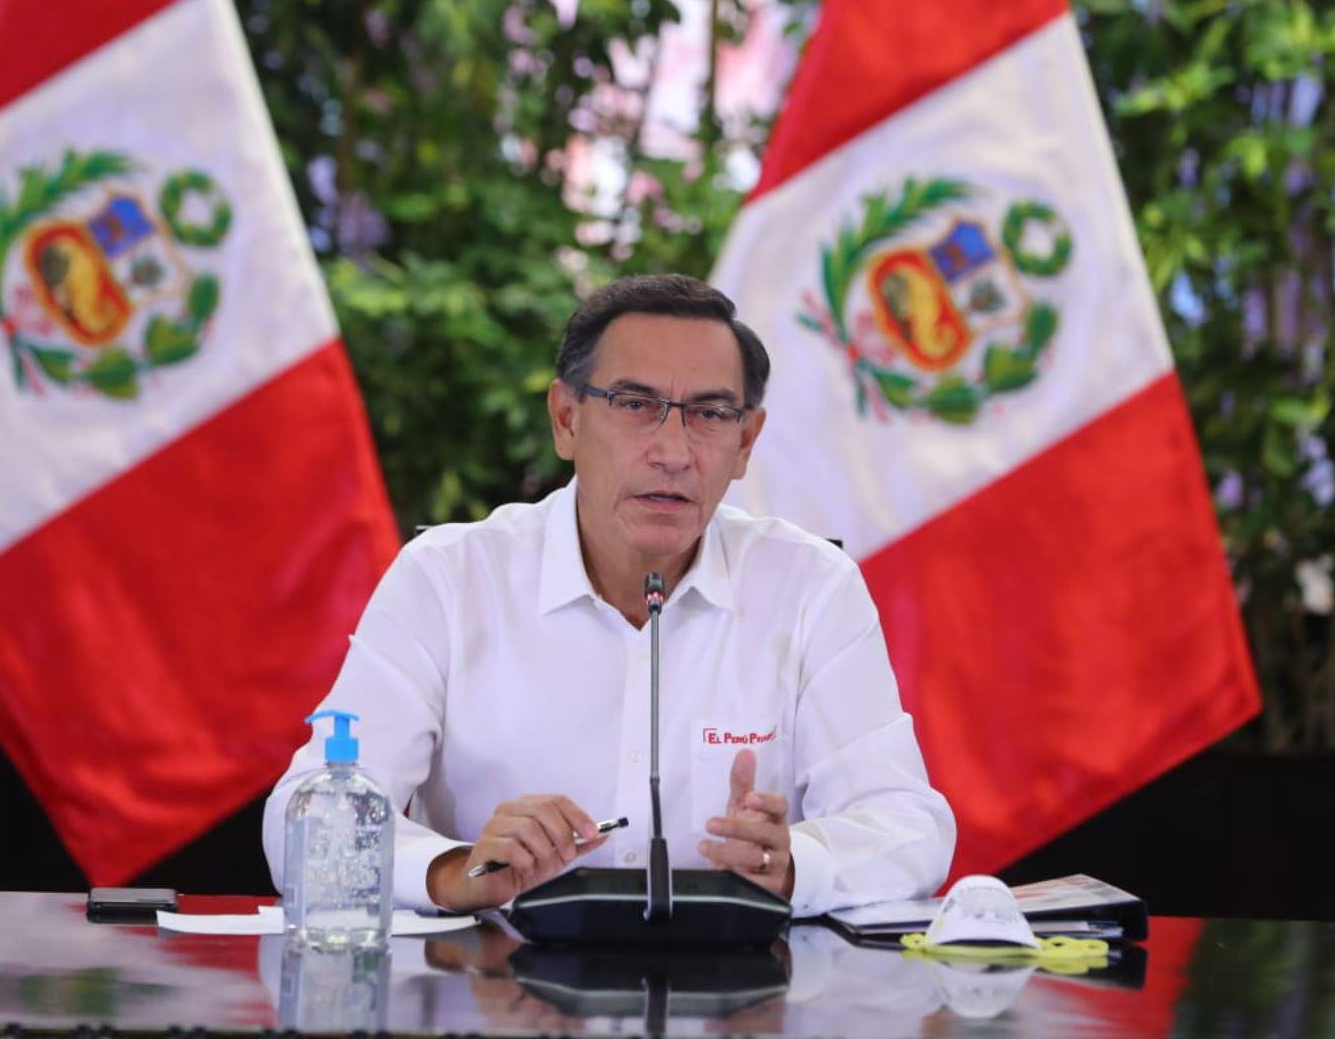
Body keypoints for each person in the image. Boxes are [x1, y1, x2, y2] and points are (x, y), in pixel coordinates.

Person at [263, 274, 955, 917]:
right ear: (566, 419)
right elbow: (305, 820)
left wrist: (796, 863)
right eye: (635, 405)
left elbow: (909, 824)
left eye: (711, 414)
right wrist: (454, 870)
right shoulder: (448, 579)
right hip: (491, 985)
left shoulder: (809, 587)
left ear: (746, 443)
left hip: (738, 987)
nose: (674, 451)